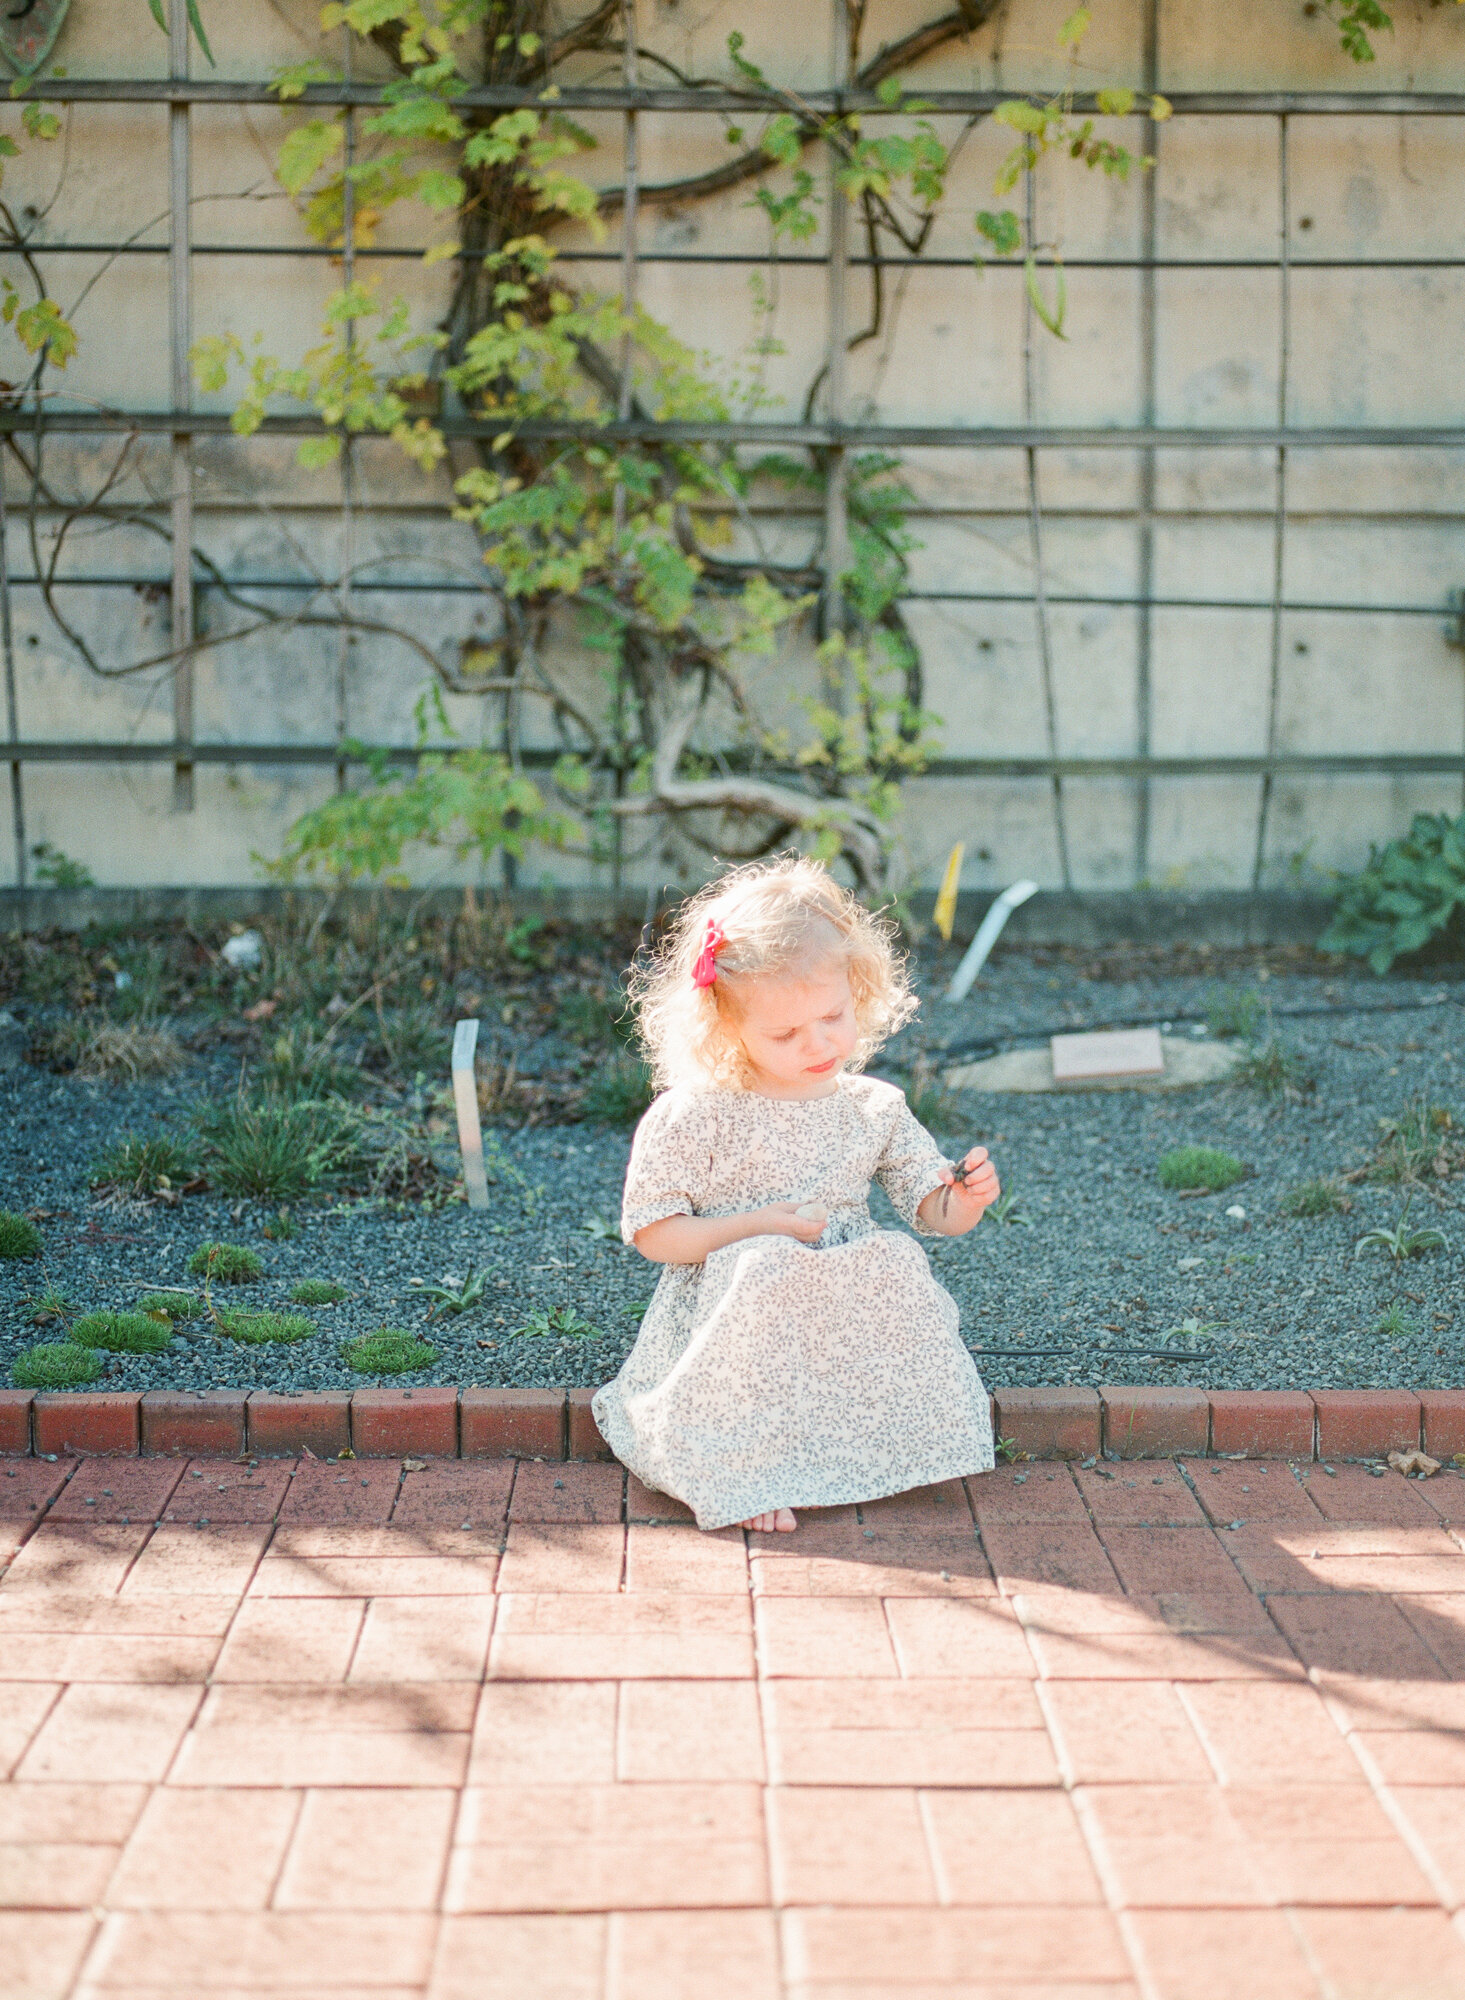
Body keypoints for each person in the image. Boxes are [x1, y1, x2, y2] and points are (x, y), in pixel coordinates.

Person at [590, 855, 1000, 1534]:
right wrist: (752, 1225)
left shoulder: (872, 1107)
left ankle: (866, 1451)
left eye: (833, 1016)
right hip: (739, 1307)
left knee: (895, 1261)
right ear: (726, 1026)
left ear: (858, 988)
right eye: (784, 1033)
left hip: (840, 1313)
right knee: (768, 1264)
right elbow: (654, 1233)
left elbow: (929, 1210)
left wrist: (965, 1198)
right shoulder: (700, 1113)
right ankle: (746, 1468)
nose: (818, 1043)